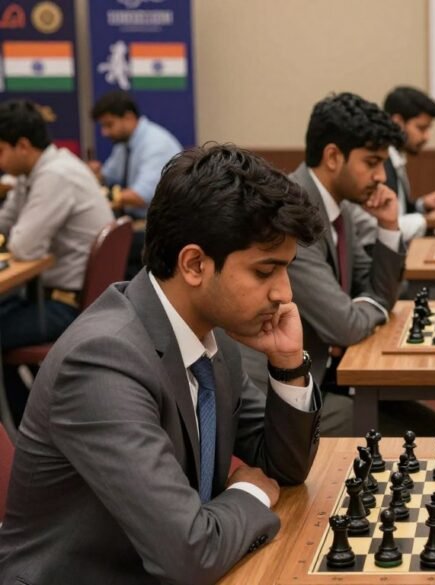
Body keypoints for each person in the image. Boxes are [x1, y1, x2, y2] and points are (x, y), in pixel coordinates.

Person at [0, 144, 325, 584]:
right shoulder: (102, 361)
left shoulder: (212, 338)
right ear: (194, 264)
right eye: (265, 272)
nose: (284, 293)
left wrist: (287, 364)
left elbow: (283, 466)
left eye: (286, 270)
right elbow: (188, 553)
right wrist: (249, 493)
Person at [240, 92, 435, 436]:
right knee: (414, 431)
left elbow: (379, 287)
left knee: (425, 423)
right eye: (372, 162)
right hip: (274, 393)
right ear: (333, 156)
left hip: (323, 373)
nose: (381, 176)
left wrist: (389, 225)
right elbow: (345, 325)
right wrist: (372, 306)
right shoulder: (289, 215)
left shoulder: (339, 207)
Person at [0, 99, 114, 423]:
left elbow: (23, 246)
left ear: (23, 146)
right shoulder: (35, 173)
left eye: (1, 151)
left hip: (65, 305)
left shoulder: (56, 176)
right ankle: (30, 418)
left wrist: (12, 235)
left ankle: (23, 426)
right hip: (48, 297)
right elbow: (5, 223)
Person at [89, 90, 184, 277]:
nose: (105, 132)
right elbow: (109, 176)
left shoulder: (155, 144)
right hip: (139, 224)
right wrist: (94, 173)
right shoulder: (125, 145)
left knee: (108, 252)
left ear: (129, 117)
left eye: (109, 125)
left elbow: (139, 197)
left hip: (162, 230)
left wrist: (99, 197)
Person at [381, 86, 435, 243]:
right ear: (398, 122)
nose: (427, 137)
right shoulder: (380, 165)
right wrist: (425, 221)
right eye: (421, 128)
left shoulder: (396, 157)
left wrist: (421, 205)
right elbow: (384, 226)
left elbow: (399, 211)